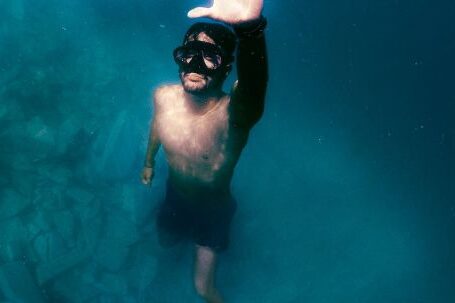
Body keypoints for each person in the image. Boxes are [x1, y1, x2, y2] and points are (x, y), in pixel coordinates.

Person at [141, 0, 267, 302]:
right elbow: (158, 125)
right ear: (179, 58)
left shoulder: (233, 117)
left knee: (203, 289)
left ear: (225, 67)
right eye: (189, 54)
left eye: (209, 57)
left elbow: (253, 88)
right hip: (175, 195)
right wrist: (149, 163)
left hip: (213, 211)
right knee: (165, 243)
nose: (195, 65)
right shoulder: (163, 97)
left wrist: (250, 31)